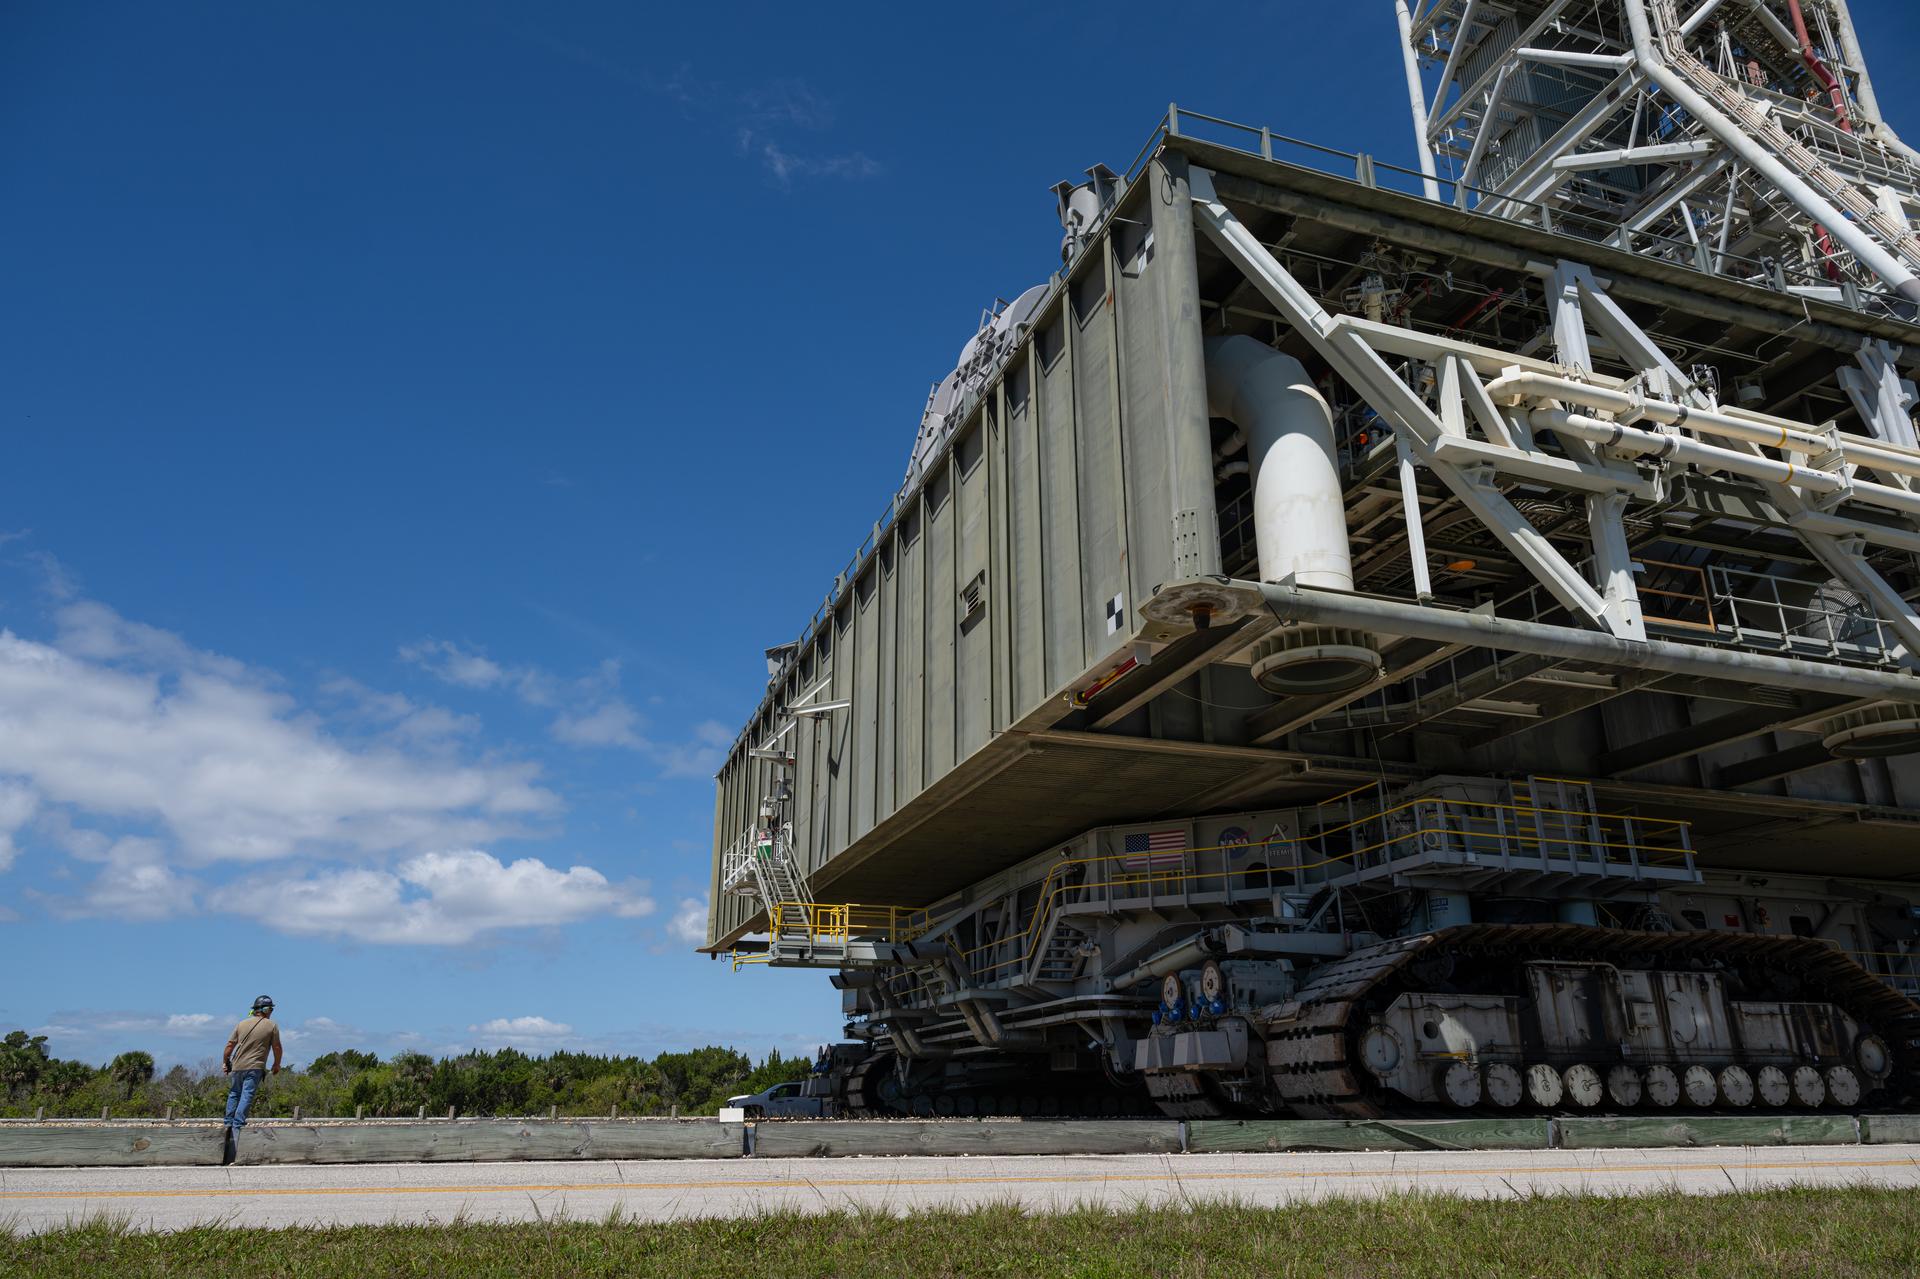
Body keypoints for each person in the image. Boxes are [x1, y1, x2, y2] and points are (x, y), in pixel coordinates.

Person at [222, 995, 283, 1129]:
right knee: (247, 1093)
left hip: (237, 1066)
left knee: (234, 1093)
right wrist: (276, 1064)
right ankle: (238, 1123)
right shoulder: (272, 1026)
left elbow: (229, 1046)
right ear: (265, 1010)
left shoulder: (241, 1024)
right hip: (255, 1066)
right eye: (271, 1009)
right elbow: (277, 1047)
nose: (272, 1012)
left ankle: (228, 1123)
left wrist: (225, 1062)